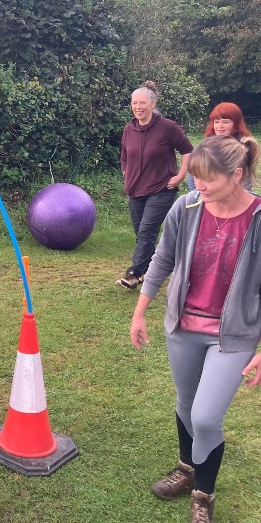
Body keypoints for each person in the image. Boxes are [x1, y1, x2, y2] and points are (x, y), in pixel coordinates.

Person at [130, 135, 261, 523]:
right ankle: (187, 470)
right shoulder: (186, 207)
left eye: (208, 180)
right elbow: (162, 258)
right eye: (196, 178)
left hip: (233, 334)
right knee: (186, 405)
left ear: (237, 175)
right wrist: (140, 313)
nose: (198, 187)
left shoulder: (257, 217)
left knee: (205, 416)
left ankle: (204, 495)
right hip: (183, 327)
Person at [117, 80, 194, 290]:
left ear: (152, 104)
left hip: (161, 189)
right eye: (134, 103)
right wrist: (125, 172)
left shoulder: (168, 127)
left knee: (146, 233)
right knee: (142, 233)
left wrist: (180, 175)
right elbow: (124, 154)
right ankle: (151, 270)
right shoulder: (128, 129)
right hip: (135, 189)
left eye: (142, 103)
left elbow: (188, 150)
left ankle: (133, 274)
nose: (138, 107)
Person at [187, 102, 253, 190]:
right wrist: (197, 194)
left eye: (225, 122)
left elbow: (245, 179)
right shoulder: (206, 145)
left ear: (236, 124)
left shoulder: (243, 146)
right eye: (216, 122)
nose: (220, 126)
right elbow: (193, 174)